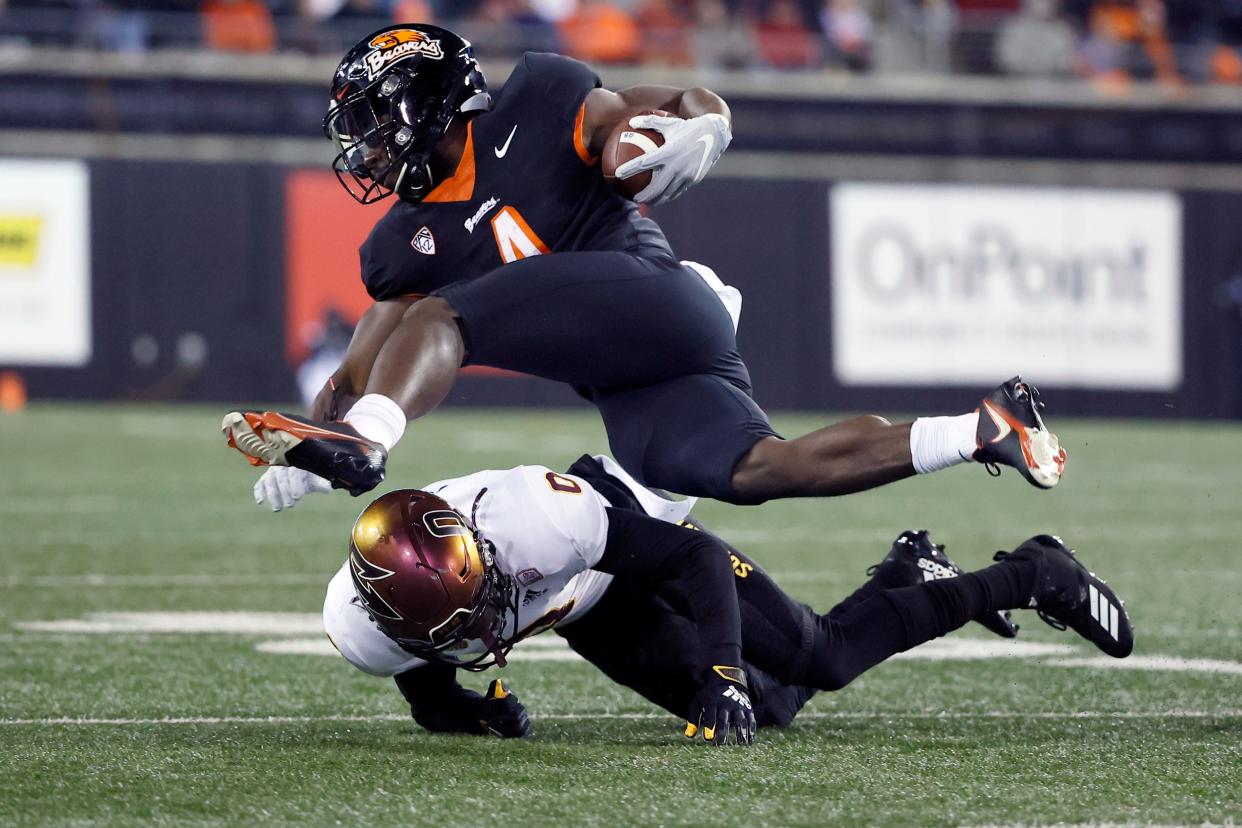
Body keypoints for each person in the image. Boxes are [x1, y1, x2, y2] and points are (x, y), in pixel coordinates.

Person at [222, 23, 1066, 508]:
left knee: (452, 317)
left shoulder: (538, 102)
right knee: (756, 471)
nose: (366, 150)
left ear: (427, 97)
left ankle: (371, 443)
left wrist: (702, 123)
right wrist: (315, 446)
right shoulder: (402, 239)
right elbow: (372, 345)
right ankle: (986, 428)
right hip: (630, 370)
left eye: (374, 121)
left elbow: (658, 107)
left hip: (652, 302)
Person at [314, 453, 1132, 745]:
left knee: (821, 658)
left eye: (487, 592)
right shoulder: (370, 632)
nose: (490, 619)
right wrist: (473, 713)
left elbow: (696, 557)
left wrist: (724, 674)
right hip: (588, 609)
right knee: (771, 715)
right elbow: (427, 686)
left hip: (627, 529)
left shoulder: (540, 524)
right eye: (465, 620)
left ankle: (1036, 572)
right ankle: (908, 577)